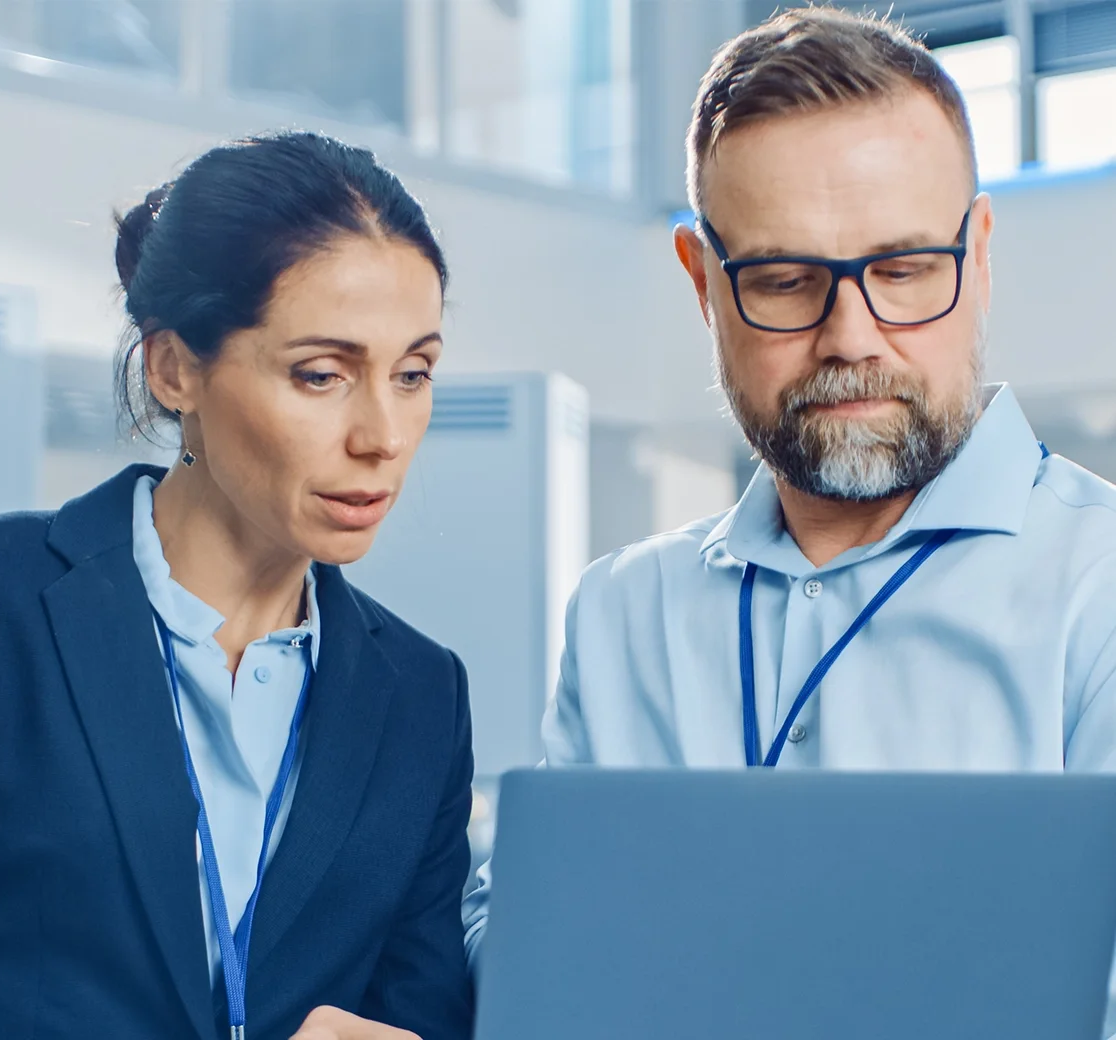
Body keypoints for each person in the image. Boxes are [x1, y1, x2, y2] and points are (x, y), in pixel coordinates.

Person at [463, 6, 1116, 1033]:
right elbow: (527, 953)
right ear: (701, 284)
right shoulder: (623, 610)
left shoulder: (1102, 587)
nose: (849, 336)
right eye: (783, 281)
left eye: (903, 270)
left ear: (978, 257)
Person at [0, 131, 474, 1040]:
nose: (383, 435)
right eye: (321, 374)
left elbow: (421, 1016)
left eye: (413, 374)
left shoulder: (422, 696)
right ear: (173, 368)